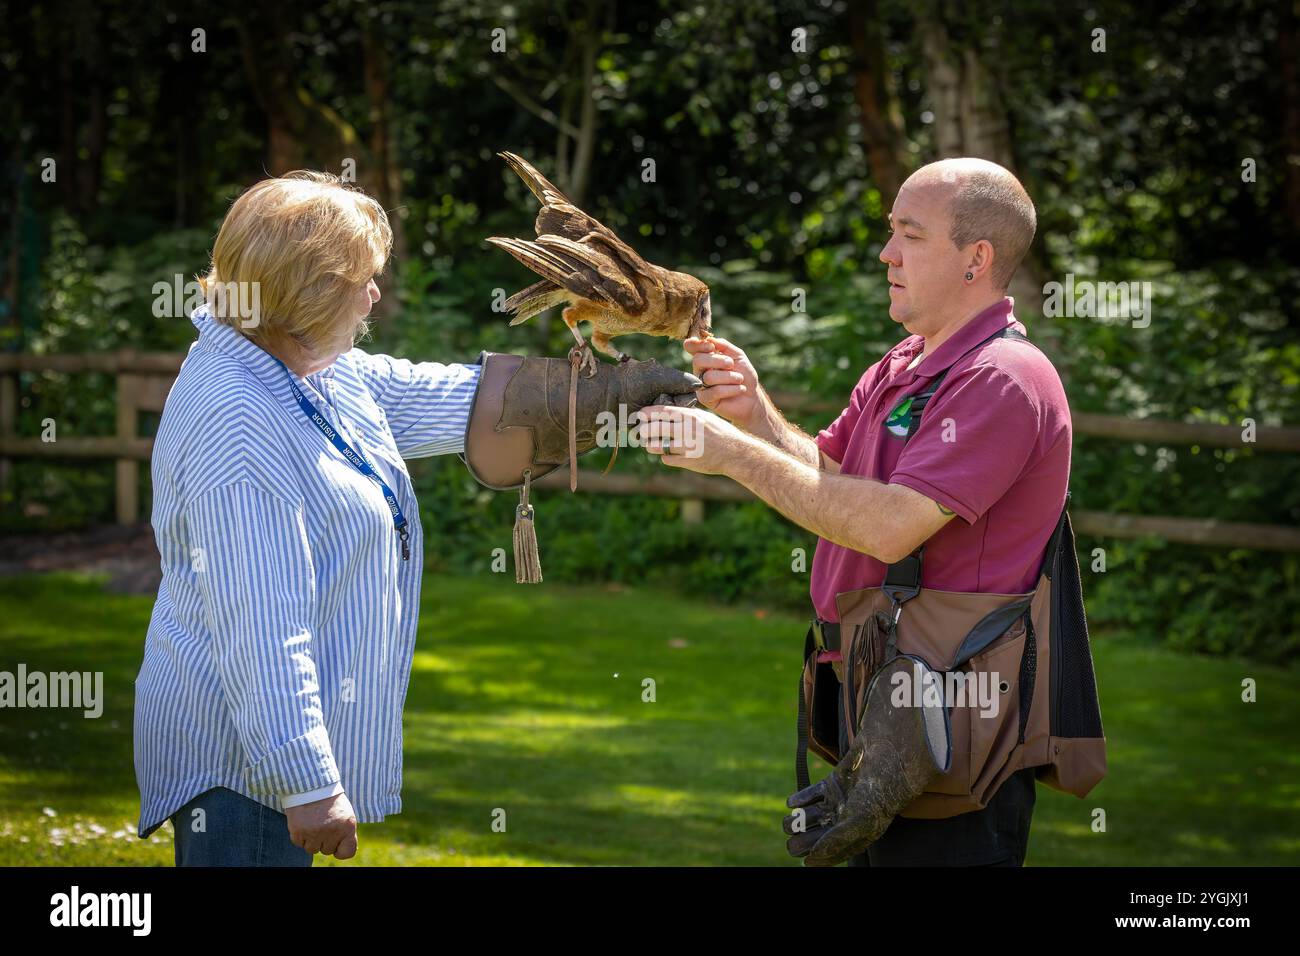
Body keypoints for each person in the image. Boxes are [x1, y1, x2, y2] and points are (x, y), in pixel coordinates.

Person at [134, 170, 698, 866]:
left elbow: (429, 396)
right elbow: (260, 625)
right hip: (242, 769)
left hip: (258, 763)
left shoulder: (301, 366)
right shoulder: (241, 420)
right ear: (307, 288)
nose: (375, 294)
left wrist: (596, 395)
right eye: (362, 279)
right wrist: (305, 784)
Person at [639, 157, 1070, 866]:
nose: (886, 253)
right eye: (890, 232)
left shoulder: (1004, 379)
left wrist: (733, 456)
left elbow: (890, 523)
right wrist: (756, 418)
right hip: (881, 704)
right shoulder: (907, 363)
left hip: (951, 725)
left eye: (911, 234)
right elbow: (836, 475)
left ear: (976, 259)